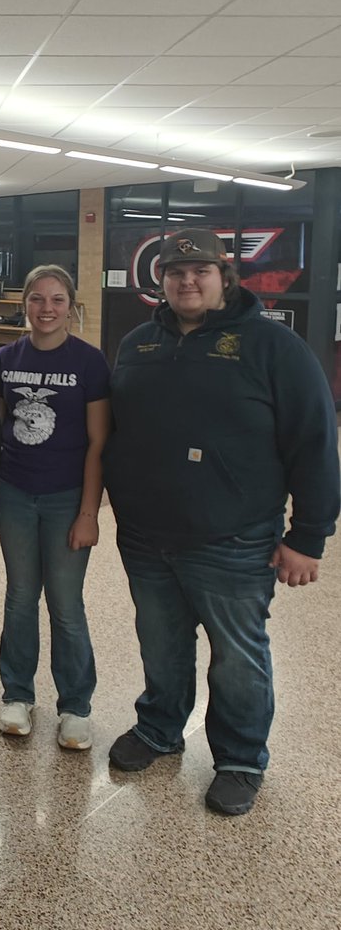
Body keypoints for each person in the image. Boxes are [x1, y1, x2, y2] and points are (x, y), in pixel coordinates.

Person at [104, 228, 339, 816]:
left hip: (232, 539)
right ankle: (159, 728)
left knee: (238, 657)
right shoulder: (138, 344)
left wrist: (308, 537)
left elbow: (314, 442)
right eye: (175, 272)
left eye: (200, 271)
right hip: (146, 535)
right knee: (161, 646)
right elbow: (115, 432)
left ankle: (239, 758)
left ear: (224, 276)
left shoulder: (272, 347)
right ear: (158, 280)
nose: (187, 281)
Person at [0, 265, 110, 748]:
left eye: (56, 300)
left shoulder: (90, 363)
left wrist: (89, 513)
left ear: (70, 306)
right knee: (19, 596)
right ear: (24, 304)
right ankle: (17, 695)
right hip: (14, 493)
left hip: (67, 499)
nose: (46, 309)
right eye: (37, 299)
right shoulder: (6, 359)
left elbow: (98, 443)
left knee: (66, 604)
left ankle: (75, 705)